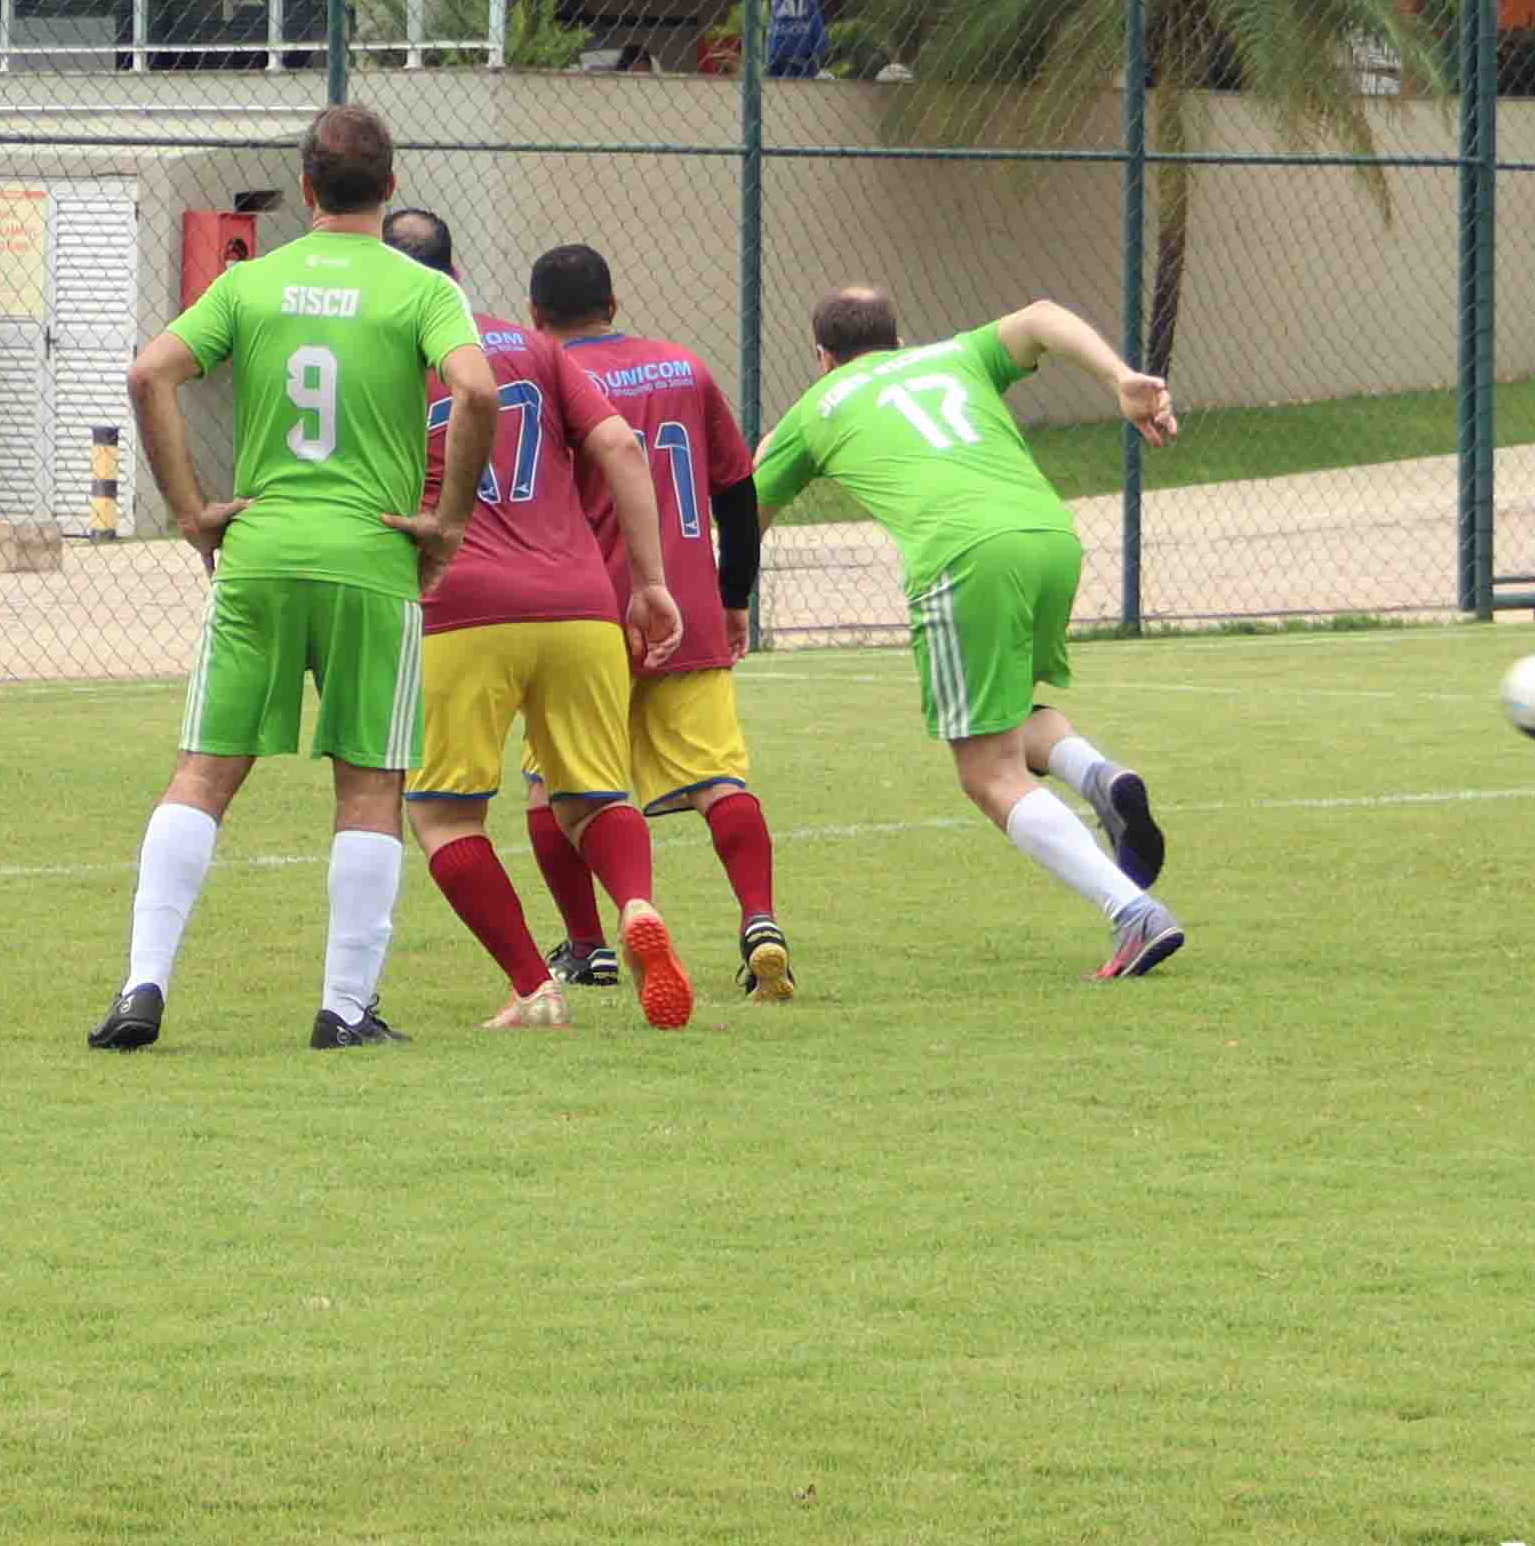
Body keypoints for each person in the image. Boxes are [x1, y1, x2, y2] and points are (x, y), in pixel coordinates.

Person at [96, 105, 498, 1051]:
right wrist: (448, 523)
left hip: (262, 552)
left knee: (203, 774)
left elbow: (150, 374)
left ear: (307, 187)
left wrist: (192, 511)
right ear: (391, 187)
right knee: (370, 787)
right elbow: (477, 390)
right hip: (370, 557)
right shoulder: (422, 289)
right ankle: (344, 1009)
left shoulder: (252, 281)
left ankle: (143, 985)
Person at [746, 280, 1185, 980]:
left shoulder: (814, 408)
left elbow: (747, 512)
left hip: (964, 558)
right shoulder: (954, 355)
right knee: (1010, 715)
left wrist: (727, 600)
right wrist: (1121, 379)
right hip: (1050, 536)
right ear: (897, 340)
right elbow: (1044, 315)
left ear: (821, 356)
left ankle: (1132, 912)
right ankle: (1098, 775)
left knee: (986, 770)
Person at [375, 212, 691, 1032]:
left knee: (443, 815)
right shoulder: (533, 347)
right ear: (456, 271)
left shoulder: (379, 352)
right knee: (592, 795)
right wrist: (650, 583)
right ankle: (635, 905)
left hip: (457, 605)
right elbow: (621, 448)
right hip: (579, 602)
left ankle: (533, 986)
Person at [527, 242, 794, 1003]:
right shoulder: (683, 366)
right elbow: (738, 489)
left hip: (587, 612)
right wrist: (734, 594)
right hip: (687, 603)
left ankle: (589, 945)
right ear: (612, 306)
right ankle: (760, 922)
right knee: (719, 778)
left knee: (551, 785)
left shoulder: (546, 377)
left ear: (536, 316)